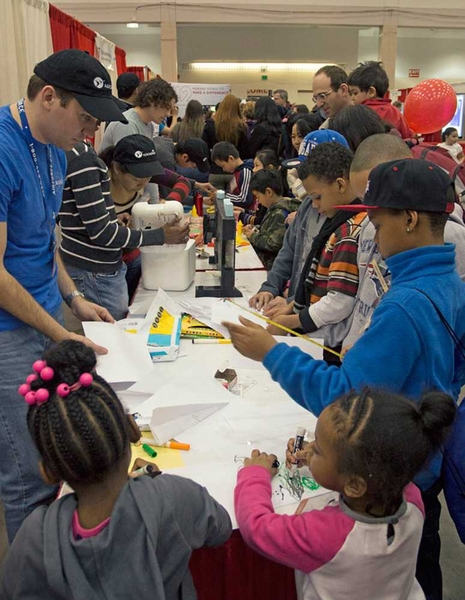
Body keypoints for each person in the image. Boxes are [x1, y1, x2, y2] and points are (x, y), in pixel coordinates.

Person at [224, 158, 465, 600]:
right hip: (418, 462)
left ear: (408, 219)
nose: (368, 233)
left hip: (387, 465)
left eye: (375, 220)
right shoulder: (451, 281)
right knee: (414, 560)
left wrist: (271, 353)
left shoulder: (406, 303)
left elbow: (344, 399)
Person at [0, 49, 128, 542]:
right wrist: (59, 332)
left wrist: (73, 300)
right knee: (27, 470)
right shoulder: (4, 149)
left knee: (52, 451)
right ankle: (32, 575)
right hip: (8, 330)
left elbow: (41, 240)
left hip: (43, 313)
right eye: (86, 117)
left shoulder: (57, 147)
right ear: (49, 97)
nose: (91, 132)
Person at [0, 340, 232, 599]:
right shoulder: (175, 497)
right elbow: (221, 528)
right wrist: (150, 487)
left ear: (49, 473)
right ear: (133, 430)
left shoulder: (34, 539)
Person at [235, 388, 456, 600]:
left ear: (354, 485)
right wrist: (328, 460)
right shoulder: (412, 497)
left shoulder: (325, 535)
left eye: (318, 449)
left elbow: (257, 528)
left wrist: (255, 474)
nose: (310, 449)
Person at [342, 134, 465, 353]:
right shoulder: (370, 227)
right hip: (361, 350)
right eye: (364, 200)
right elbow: (366, 290)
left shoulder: (452, 239)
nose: (370, 208)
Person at [60, 135, 191, 320]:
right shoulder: (90, 172)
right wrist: (160, 236)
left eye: (148, 178)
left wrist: (165, 207)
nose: (144, 183)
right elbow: (101, 233)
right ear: (117, 169)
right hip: (95, 268)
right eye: (138, 178)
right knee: (113, 331)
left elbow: (96, 222)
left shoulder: (95, 170)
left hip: (114, 263)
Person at [269, 142, 367, 364]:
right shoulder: (337, 223)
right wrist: (292, 306)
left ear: (340, 185)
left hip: (330, 345)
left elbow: (339, 302)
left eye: (317, 197)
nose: (313, 205)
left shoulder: (350, 232)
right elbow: (316, 282)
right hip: (320, 335)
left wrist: (293, 321)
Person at [250, 131, 350, 319]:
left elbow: (335, 295)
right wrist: (271, 287)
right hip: (298, 311)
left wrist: (292, 303)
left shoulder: (347, 225)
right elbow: (288, 250)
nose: (304, 179)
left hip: (313, 318)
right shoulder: (307, 206)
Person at [100, 79, 178, 203]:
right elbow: (128, 173)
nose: (168, 114)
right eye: (166, 108)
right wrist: (152, 203)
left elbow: (147, 168)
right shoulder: (127, 125)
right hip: (116, 197)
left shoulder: (149, 125)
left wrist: (154, 202)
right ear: (152, 100)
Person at [243, 170, 300, 270]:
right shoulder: (274, 207)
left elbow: (273, 243)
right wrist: (255, 228)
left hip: (273, 264)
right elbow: (270, 228)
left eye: (258, 197)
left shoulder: (280, 212)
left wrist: (252, 236)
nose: (258, 200)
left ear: (269, 192)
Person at [348, 61, 414, 139]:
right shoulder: (395, 112)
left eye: (355, 93)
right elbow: (407, 136)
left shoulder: (359, 114)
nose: (352, 98)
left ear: (371, 92)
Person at [211, 141, 254, 209]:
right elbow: (234, 193)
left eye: (223, 166)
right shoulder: (237, 171)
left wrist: (223, 196)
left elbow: (244, 199)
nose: (223, 170)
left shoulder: (245, 172)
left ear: (231, 158)